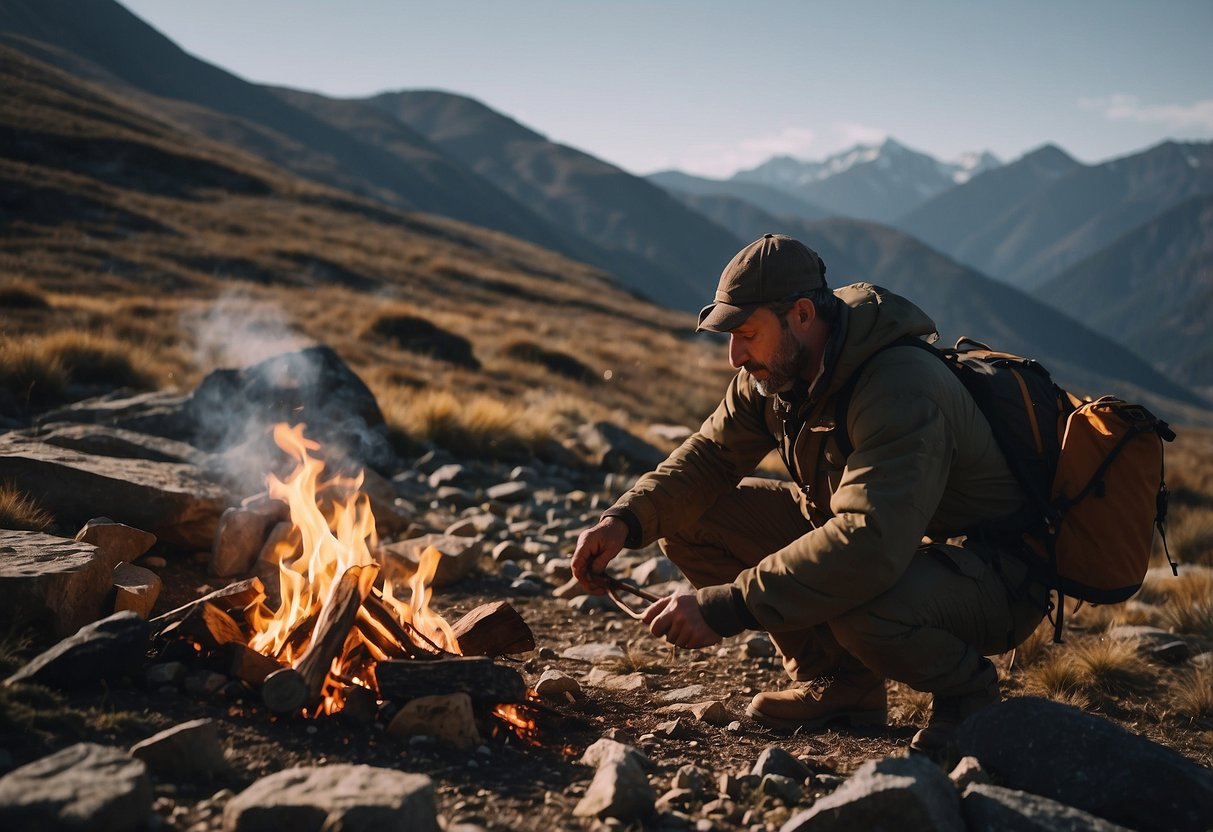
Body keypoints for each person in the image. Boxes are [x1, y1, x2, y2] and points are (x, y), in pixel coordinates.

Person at [571, 233, 1051, 755]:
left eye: (747, 333)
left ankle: (968, 696)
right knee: (687, 520)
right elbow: (709, 458)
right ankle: (841, 683)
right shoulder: (775, 372)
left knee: (863, 609)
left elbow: (868, 543)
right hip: (889, 543)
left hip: (986, 570)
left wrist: (726, 606)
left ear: (802, 314)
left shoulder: (899, 387)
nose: (734, 356)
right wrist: (624, 520)